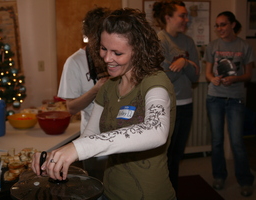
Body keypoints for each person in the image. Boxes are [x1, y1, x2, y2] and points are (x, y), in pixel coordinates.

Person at [33, 8, 177, 199]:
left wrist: (78, 149)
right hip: (110, 191)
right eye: (103, 48)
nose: (107, 58)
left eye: (117, 53)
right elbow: (90, 135)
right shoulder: (108, 87)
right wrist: (56, 156)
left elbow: (156, 131)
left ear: (139, 50)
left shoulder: (155, 81)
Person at [205, 11, 254, 197]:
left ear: (233, 25)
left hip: (236, 99)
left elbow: (248, 75)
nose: (219, 29)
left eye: (223, 25)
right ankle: (219, 176)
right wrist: (213, 80)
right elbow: (208, 73)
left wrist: (235, 80)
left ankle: (245, 180)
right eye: (217, 25)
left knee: (237, 142)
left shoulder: (244, 46)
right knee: (217, 141)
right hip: (215, 98)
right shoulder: (213, 45)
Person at [152, 0, 200, 193]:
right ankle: (163, 193)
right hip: (167, 106)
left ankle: (173, 192)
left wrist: (185, 62)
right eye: (182, 15)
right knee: (165, 156)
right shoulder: (159, 40)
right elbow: (161, 75)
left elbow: (195, 76)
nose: (186, 20)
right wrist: (182, 65)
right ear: (168, 18)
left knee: (177, 155)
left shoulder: (188, 42)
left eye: (186, 15)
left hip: (186, 104)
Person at [57, 7, 110, 179]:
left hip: (120, 136)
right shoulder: (74, 62)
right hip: (92, 140)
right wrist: (96, 90)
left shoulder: (116, 55)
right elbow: (71, 108)